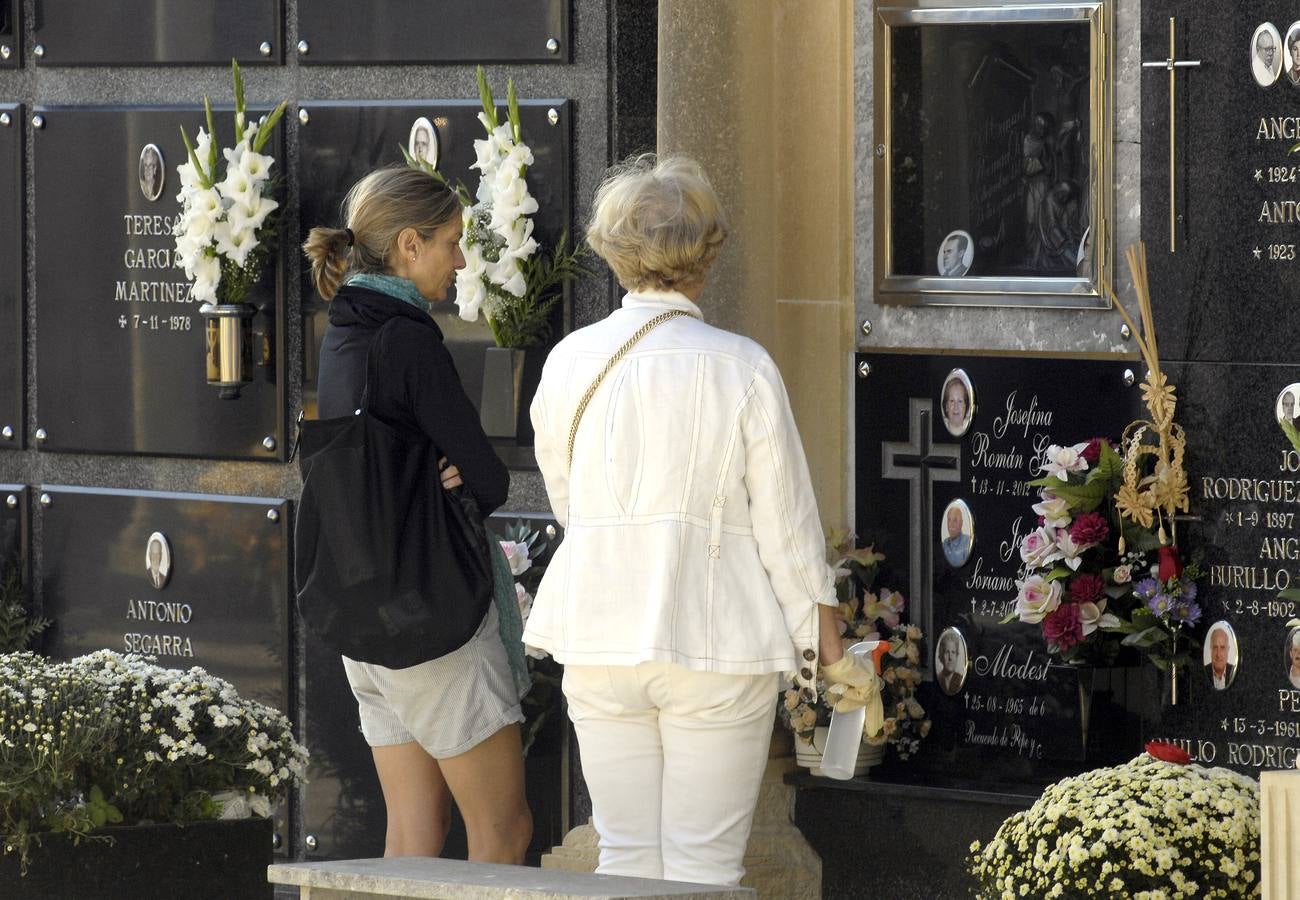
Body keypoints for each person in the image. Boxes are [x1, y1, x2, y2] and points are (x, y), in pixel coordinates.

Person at [524, 154, 881, 886]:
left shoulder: (568, 361)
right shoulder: (740, 366)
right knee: (705, 871)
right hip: (716, 638)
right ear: (706, 253)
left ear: (613, 252)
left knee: (624, 862)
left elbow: (571, 504)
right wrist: (832, 654)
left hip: (599, 635)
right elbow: (786, 532)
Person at [302, 166, 531, 863]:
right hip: (434, 629)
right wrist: (457, 478)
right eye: (453, 242)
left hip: (366, 626)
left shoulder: (343, 332)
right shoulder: (408, 338)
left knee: (411, 834)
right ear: (409, 244)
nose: (461, 260)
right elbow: (486, 477)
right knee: (502, 829)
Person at [1204, 625, 1235, 690]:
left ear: (1228, 650)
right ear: (1211, 649)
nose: (1218, 654)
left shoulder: (1234, 672)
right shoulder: (1203, 672)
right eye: (1215, 647)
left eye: (1222, 648)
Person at [936, 631, 966, 695]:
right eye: (947, 652)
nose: (950, 658)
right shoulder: (938, 679)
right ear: (941, 656)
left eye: (953, 652)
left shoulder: (960, 679)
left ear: (957, 655)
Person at [942, 503, 971, 567]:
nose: (951, 524)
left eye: (955, 520)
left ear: (961, 523)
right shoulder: (944, 544)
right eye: (949, 520)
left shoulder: (968, 543)